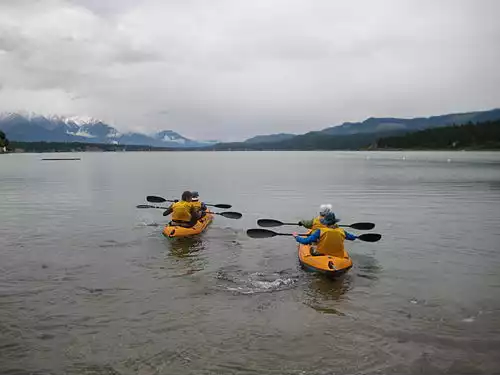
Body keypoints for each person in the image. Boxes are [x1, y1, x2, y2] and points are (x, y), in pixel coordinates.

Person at [293, 212, 357, 257]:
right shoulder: (342, 231)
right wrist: (356, 237)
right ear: (335, 222)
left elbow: (305, 241)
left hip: (321, 254)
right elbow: (352, 238)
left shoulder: (320, 231)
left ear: (325, 223)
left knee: (312, 245)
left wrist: (296, 237)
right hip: (338, 255)